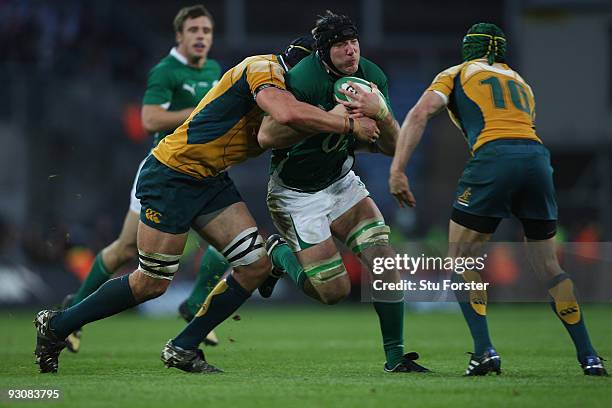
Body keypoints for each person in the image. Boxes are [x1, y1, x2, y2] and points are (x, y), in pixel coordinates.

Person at [34, 34, 380, 374]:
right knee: (152, 281)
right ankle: (58, 324)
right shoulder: (264, 68)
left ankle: (183, 347)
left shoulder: (301, 94)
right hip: (173, 174)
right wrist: (348, 123)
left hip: (210, 179)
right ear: (304, 65)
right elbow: (286, 114)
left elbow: (291, 129)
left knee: (255, 266)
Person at [388, 22, 607, 376]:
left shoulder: (457, 72)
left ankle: (484, 351)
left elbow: (419, 113)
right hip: (537, 159)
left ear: (468, 49)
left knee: (460, 258)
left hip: (494, 157)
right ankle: (589, 356)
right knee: (549, 266)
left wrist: (397, 170)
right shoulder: (521, 82)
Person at [256, 11, 430, 373]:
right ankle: (278, 256)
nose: (350, 51)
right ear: (323, 50)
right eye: (340, 45)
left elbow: (391, 147)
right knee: (333, 292)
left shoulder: (371, 76)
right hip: (296, 193)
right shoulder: (302, 78)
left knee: (384, 263)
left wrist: (382, 114)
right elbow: (267, 136)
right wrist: (335, 119)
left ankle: (396, 357)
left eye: (353, 41)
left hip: (340, 182)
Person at [61, 5, 226, 352]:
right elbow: (149, 119)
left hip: (202, 171)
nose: (200, 36)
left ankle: (194, 303)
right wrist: (200, 113)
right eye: (193, 30)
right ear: (179, 35)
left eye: (206, 31)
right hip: (163, 173)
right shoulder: (165, 71)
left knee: (233, 243)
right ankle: (72, 311)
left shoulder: (213, 69)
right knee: (125, 247)